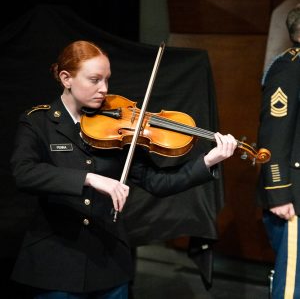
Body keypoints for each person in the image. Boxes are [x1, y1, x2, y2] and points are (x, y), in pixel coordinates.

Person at [10, 40, 237, 299]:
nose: (103, 89)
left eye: (107, 80)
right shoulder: (37, 121)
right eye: (94, 80)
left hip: (109, 263)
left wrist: (208, 160)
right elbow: (24, 173)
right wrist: (90, 178)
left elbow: (157, 182)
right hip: (55, 264)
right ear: (66, 78)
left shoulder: (119, 123)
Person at [257, 6, 300, 299]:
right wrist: (279, 192)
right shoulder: (289, 67)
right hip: (294, 195)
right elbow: (274, 135)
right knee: (292, 287)